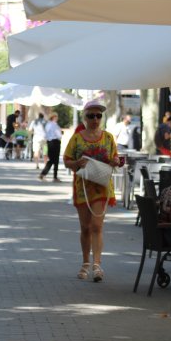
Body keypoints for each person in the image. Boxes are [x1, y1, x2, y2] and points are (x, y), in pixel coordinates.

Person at [63, 100, 121, 282]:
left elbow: (115, 158)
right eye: (91, 115)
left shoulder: (109, 137)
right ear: (84, 117)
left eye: (98, 115)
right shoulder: (77, 138)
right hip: (83, 189)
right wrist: (76, 163)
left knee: (97, 226)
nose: (95, 119)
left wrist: (117, 161)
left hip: (102, 187)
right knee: (85, 227)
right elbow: (66, 160)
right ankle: (85, 263)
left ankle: (97, 265)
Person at [38, 113, 63, 182]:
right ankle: (54, 176)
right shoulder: (54, 125)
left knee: (51, 160)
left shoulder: (48, 124)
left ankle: (43, 174)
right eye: (56, 117)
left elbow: (45, 134)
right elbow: (59, 135)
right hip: (55, 142)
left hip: (49, 142)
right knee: (55, 160)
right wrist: (60, 135)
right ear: (54, 117)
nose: (57, 118)